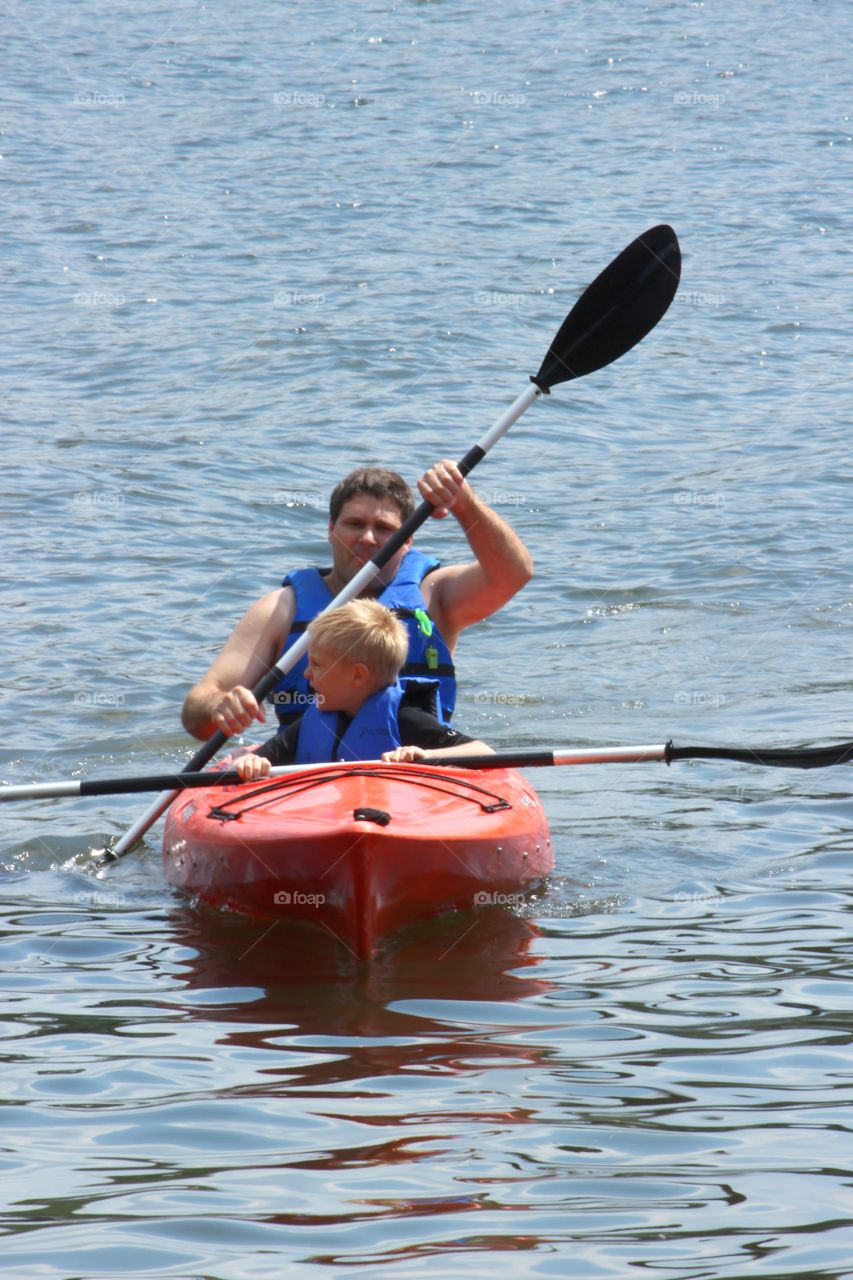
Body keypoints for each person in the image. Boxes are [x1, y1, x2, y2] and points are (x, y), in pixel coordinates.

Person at [181, 458, 532, 742]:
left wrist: (464, 503)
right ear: (331, 528)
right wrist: (220, 707)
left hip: (416, 769)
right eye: (355, 524)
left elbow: (513, 574)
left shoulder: (435, 595)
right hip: (305, 772)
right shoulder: (280, 610)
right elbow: (197, 713)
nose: (367, 538)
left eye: (384, 529)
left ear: (407, 540)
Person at [230, 599, 493, 779]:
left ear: (358, 675)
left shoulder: (406, 719)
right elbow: (253, 759)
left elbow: (483, 753)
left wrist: (425, 755)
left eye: (317, 665)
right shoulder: (313, 723)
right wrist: (251, 764)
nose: (307, 673)